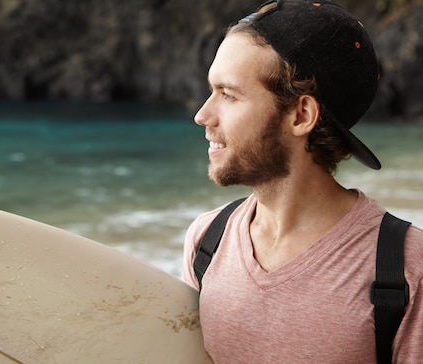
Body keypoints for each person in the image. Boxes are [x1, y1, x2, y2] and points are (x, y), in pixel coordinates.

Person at [181, 0, 423, 363]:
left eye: (228, 95)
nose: (203, 115)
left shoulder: (405, 268)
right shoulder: (206, 242)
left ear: (301, 115)